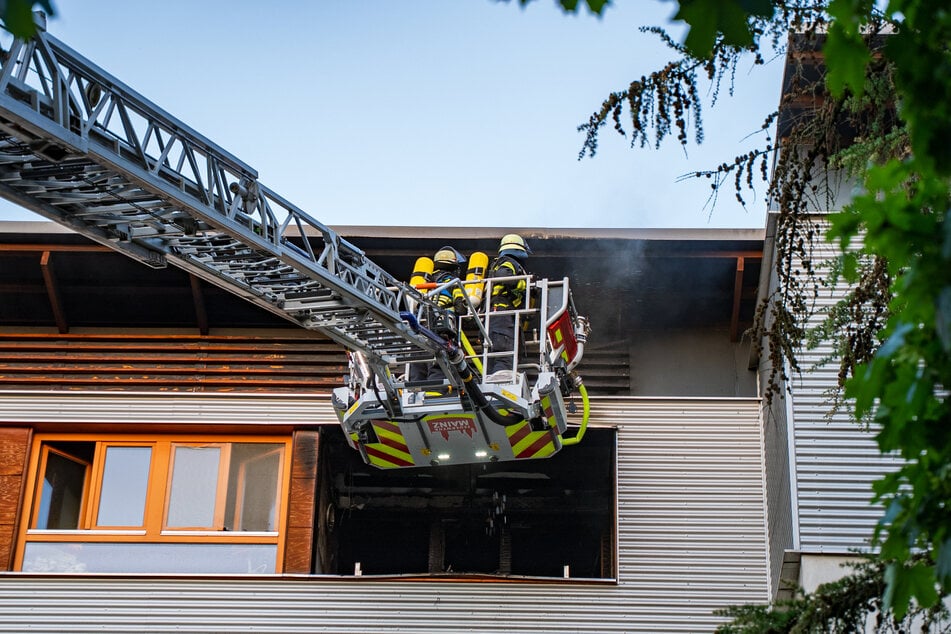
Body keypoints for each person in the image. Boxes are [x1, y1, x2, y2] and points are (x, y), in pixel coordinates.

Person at [410, 246, 467, 383]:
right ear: (454, 266)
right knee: (439, 364)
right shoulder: (453, 282)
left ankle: (416, 390)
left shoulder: (426, 282)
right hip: (441, 328)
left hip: (420, 326)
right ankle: (436, 391)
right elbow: (461, 308)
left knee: (419, 361)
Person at [485, 233, 531, 378]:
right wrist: (525, 284)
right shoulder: (509, 261)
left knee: (493, 359)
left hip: (495, 316)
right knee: (504, 357)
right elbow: (503, 275)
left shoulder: (501, 261)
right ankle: (501, 385)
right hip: (502, 316)